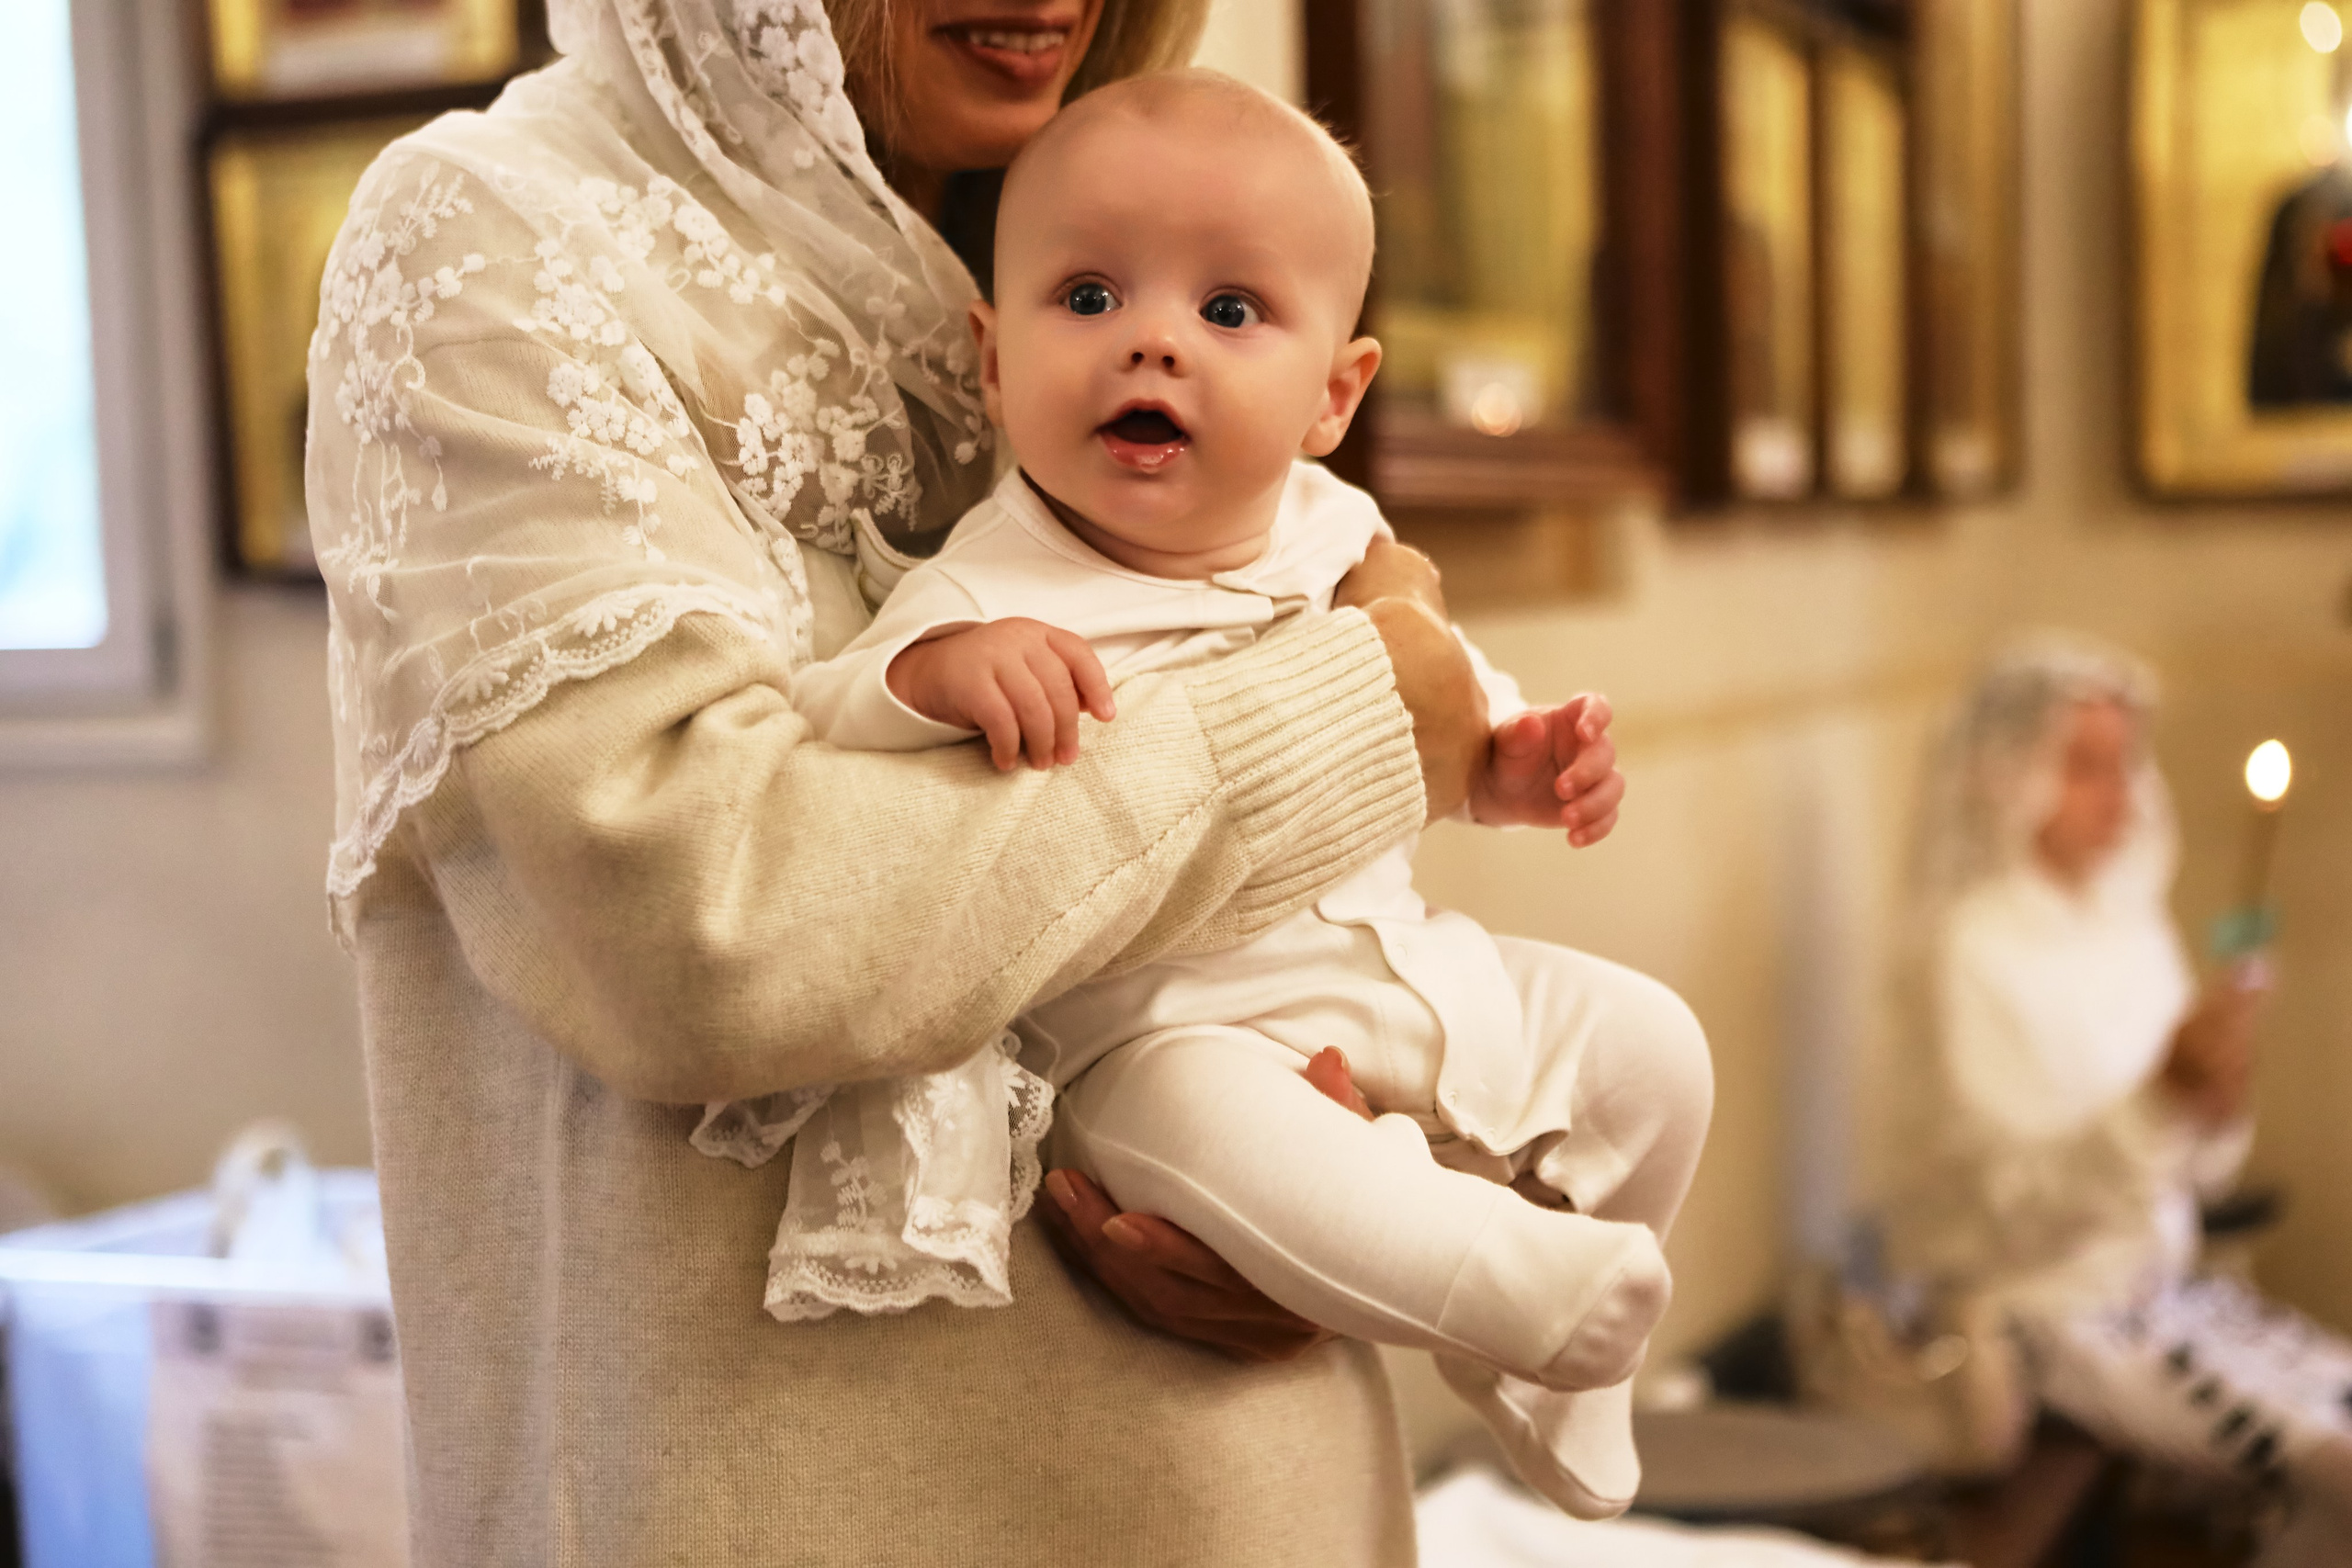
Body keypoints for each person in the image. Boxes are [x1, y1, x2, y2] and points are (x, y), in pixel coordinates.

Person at [299, 2, 1626, 1562]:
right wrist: (1350, 705)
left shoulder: (1115, 183)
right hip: (805, 1499)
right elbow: (701, 932)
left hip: (1257, 1482)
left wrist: (1338, 1207)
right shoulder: (503, 232)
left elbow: (1286, 912)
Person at [701, 71, 1713, 1522]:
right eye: (1091, 296)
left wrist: (1514, 763)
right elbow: (819, 714)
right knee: (1253, 1152)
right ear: (991, 359)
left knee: (1656, 1050)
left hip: (1397, 970)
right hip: (1166, 1034)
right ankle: (1512, 1289)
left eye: (1230, 313)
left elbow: (1439, 716)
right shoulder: (994, 575)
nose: (1155, 343)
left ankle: (1568, 1372)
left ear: (1335, 395)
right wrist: (939, 673)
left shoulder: (1341, 533)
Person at [1893, 637, 2352, 1559]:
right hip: (2051, 1319)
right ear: (2006, 772)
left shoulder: (2124, 920)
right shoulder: (1971, 949)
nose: (2120, 794)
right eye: (2085, 767)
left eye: (2125, 763)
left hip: (2166, 1287)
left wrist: (2212, 1102)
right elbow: (2011, 1201)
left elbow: (2190, 1162)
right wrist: (2161, 1099)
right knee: (2332, 1463)